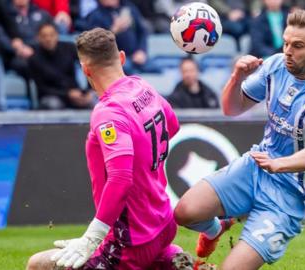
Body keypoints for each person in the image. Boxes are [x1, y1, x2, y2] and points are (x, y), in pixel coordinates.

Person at [174, 9, 305, 270]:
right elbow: (231, 109)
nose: (288, 51)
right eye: (286, 42)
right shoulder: (276, 65)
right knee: (184, 213)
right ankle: (216, 228)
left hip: (290, 196)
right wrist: (237, 77)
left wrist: (279, 164)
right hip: (255, 168)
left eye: (298, 46)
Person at [26, 28, 187, 269]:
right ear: (121, 57)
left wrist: (92, 237)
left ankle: (159, 260)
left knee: (37, 264)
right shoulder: (143, 87)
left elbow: (120, 178)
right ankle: (167, 259)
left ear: (85, 69)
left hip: (132, 239)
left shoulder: (108, 112)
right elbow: (172, 126)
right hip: (163, 223)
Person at [28, 22, 94, 109]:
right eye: (44, 36)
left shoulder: (69, 48)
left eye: (51, 35)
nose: (48, 39)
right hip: (51, 95)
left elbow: (88, 64)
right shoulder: (34, 58)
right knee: (53, 104)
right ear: (38, 38)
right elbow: (41, 88)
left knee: (94, 101)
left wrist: (87, 91)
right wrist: (67, 94)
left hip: (75, 93)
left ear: (57, 35)